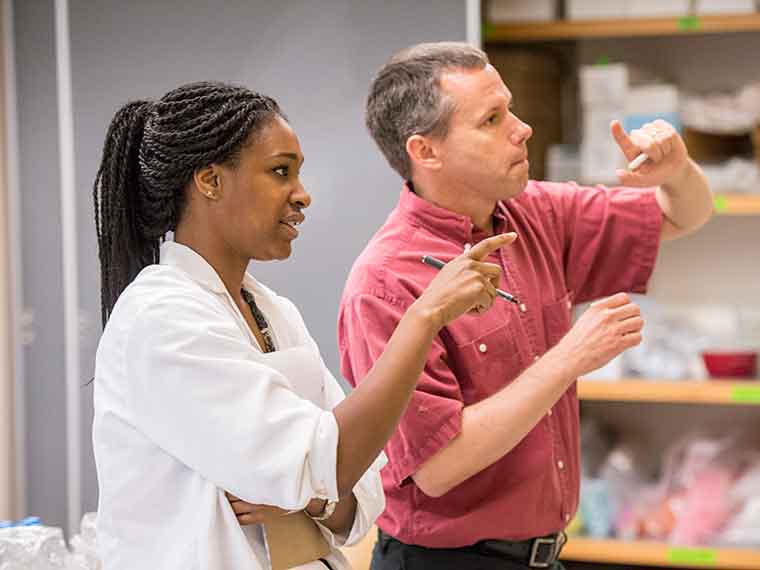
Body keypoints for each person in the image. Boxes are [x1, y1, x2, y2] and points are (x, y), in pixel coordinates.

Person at [91, 81, 515, 570]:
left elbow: (363, 488)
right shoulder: (160, 316)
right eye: (279, 172)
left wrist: (309, 497)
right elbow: (330, 463)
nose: (302, 195)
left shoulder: (272, 310)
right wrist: (424, 318)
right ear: (210, 181)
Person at [337, 42, 713, 570]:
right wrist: (568, 358)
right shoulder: (385, 283)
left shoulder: (533, 211)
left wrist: (677, 171)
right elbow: (439, 466)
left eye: (508, 107)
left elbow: (685, 215)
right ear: (425, 152)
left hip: (542, 555)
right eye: (492, 119)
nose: (522, 127)